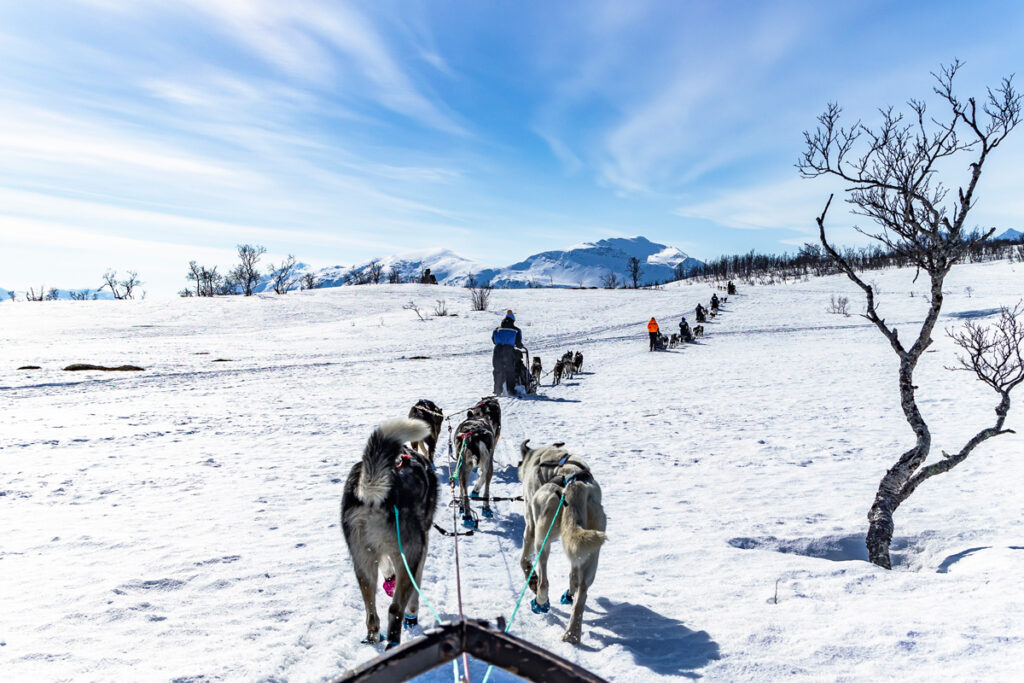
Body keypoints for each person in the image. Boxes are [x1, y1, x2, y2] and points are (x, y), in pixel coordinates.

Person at [492, 310, 525, 394]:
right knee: (510, 370)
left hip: (497, 349)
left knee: (497, 369)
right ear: (513, 320)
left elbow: (494, 340)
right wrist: (519, 345)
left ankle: (497, 390)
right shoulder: (516, 330)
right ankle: (511, 390)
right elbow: (518, 343)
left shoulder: (497, 329)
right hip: (509, 350)